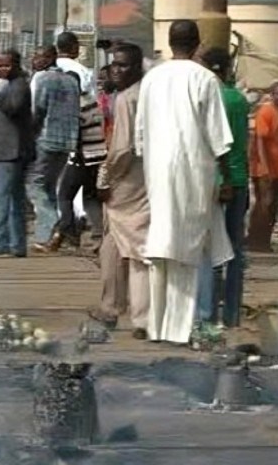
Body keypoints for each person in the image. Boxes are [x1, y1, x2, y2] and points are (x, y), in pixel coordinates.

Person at [135, 20, 233, 345]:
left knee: (163, 244)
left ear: (169, 41)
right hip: (194, 172)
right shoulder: (205, 78)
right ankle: (188, 325)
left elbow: (140, 133)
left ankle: (159, 325)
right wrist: (227, 176)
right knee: (194, 248)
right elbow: (218, 137)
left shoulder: (152, 78)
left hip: (157, 172)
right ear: (198, 44)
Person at [90, 42, 150, 338]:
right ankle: (138, 315)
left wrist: (106, 178)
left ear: (137, 68)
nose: (116, 70)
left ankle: (114, 308)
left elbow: (123, 148)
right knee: (137, 246)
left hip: (128, 177)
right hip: (151, 176)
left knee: (119, 243)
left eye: (123, 65)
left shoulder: (127, 98)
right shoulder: (150, 92)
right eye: (114, 64)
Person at [199, 48, 251, 328]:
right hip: (240, 180)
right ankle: (232, 313)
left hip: (218, 180)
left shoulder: (211, 97)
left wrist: (221, 179)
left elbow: (215, 145)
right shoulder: (239, 100)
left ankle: (207, 314)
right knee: (234, 251)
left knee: (211, 251)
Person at [48, 32, 106, 254]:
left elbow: (76, 134)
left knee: (64, 195)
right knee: (91, 196)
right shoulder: (90, 102)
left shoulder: (75, 108)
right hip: (96, 155)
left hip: (79, 155)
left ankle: (67, 231)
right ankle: (99, 236)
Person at [0, 50, 33, 258]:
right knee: (15, 199)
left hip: (11, 150)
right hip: (9, 148)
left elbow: (11, 108)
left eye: (6, 65)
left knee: (1, 198)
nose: (2, 69)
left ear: (16, 65)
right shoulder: (11, 85)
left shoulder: (19, 85)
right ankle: (17, 244)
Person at [29, 44, 80, 250]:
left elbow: (37, 110)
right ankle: (55, 233)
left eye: (40, 56)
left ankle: (52, 227)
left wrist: (29, 135)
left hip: (46, 139)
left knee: (36, 185)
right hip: (67, 141)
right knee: (50, 186)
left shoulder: (42, 79)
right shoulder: (71, 80)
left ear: (51, 58)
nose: (35, 60)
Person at [248, 81, 278, 252]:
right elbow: (259, 140)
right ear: (272, 94)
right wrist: (265, 167)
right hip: (265, 169)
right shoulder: (266, 111)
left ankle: (263, 241)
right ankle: (256, 241)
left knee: (273, 206)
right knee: (264, 206)